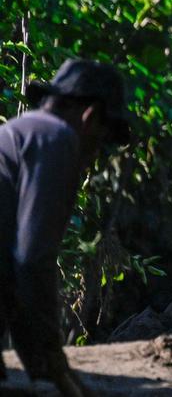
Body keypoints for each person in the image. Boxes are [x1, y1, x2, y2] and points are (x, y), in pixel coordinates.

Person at [0, 59, 132, 397]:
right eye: (103, 140)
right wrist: (52, 358)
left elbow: (13, 271)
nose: (96, 154)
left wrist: (41, 361)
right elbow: (32, 261)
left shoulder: (22, 130)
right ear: (90, 119)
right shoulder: (57, 138)